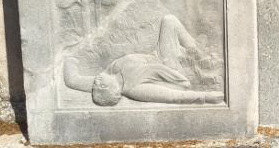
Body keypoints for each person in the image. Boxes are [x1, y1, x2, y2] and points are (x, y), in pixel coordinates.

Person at [63, 15, 222, 106]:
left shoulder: (106, 76)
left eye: (95, 85)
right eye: (101, 85)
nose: (96, 81)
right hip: (166, 65)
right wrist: (206, 97)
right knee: (169, 21)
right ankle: (201, 59)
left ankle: (201, 57)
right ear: (112, 89)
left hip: (156, 55)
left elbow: (72, 80)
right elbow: (173, 96)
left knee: (170, 22)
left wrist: (70, 56)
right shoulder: (134, 89)